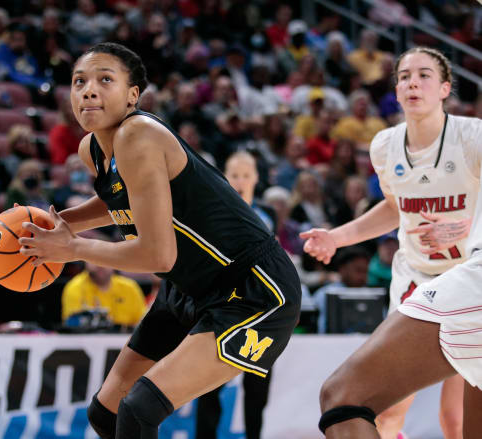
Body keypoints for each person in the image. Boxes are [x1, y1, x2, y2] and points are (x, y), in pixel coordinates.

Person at [16, 42, 301, 439]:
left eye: (104, 80)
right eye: (79, 81)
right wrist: (63, 222)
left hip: (252, 289)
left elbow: (157, 254)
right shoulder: (92, 149)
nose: (88, 90)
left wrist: (71, 248)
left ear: (133, 95)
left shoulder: (139, 135)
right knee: (106, 414)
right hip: (188, 287)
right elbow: (121, 198)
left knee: (139, 410)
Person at [301, 47, 482, 438]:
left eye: (424, 75)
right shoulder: (384, 145)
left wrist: (462, 227)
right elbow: (394, 207)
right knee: (383, 410)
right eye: (403, 76)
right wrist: (337, 236)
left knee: (456, 420)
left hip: (467, 280)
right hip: (416, 280)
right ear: (396, 91)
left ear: (445, 88)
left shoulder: (472, 137)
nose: (412, 82)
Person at [195, 150, 277, 439]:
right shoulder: (212, 211)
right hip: (220, 308)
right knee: (208, 389)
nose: (240, 180)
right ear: (224, 177)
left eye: (246, 175)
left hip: (261, 312)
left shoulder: (268, 216)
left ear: (256, 178)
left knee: (257, 390)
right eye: (234, 174)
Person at [62, 260, 147, 329]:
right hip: (86, 342)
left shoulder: (130, 287)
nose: (100, 264)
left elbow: (141, 322)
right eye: (94, 259)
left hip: (125, 341)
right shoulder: (75, 287)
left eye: (105, 258)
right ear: (85, 261)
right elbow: (71, 324)